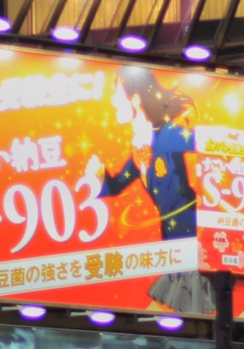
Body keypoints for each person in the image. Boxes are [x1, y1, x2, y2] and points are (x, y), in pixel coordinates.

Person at [83, 66, 205, 313]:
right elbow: (117, 185)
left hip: (192, 243)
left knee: (189, 310)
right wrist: (98, 173)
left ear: (135, 99)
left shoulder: (169, 135)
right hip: (175, 247)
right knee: (188, 311)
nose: (112, 101)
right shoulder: (140, 145)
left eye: (117, 95)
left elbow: (209, 142)